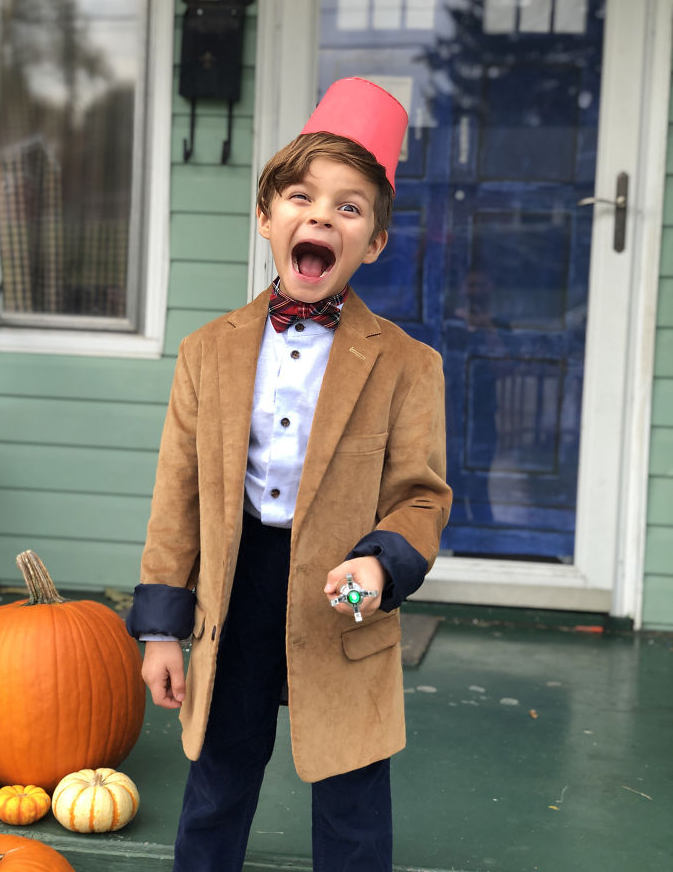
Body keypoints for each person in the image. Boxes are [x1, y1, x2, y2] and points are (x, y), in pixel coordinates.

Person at [126, 77, 452, 872]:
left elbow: (420, 496)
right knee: (219, 778)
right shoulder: (207, 352)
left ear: (374, 241)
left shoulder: (409, 365)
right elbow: (177, 497)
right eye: (301, 196)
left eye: (350, 207)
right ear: (267, 216)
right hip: (236, 586)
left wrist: (381, 563)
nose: (321, 217)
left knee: (351, 794)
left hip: (343, 593)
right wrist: (163, 627)